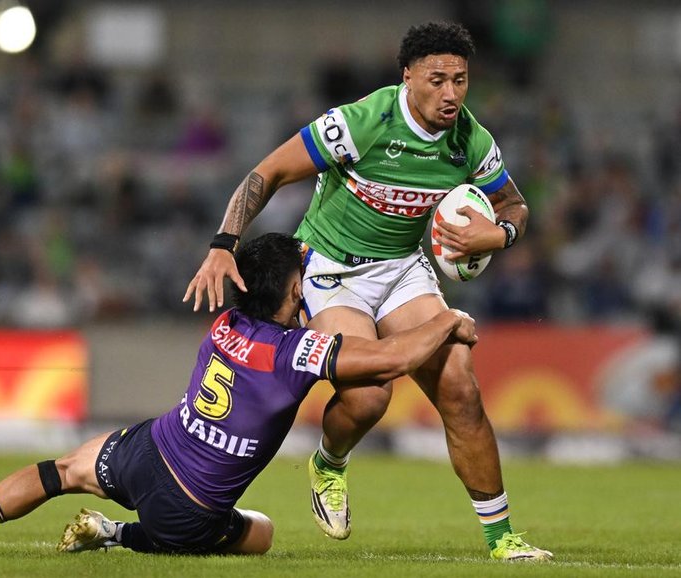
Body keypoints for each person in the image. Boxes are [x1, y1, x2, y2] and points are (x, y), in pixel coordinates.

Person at [184, 22, 552, 561]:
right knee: (369, 394)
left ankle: (503, 540)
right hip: (330, 270)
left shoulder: (471, 140)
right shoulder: (361, 123)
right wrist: (223, 243)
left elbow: (514, 204)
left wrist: (498, 232)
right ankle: (329, 463)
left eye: (460, 80)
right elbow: (268, 172)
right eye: (436, 80)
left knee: (460, 384)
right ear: (408, 77)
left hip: (402, 269)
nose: (450, 94)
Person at [0, 233, 478, 557]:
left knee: (57, 471)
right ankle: (116, 536)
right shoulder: (297, 352)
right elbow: (395, 358)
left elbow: (272, 294)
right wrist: (447, 318)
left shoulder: (227, 321)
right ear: (291, 290)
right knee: (262, 533)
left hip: (149, 451)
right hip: (190, 507)